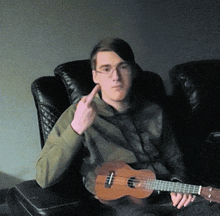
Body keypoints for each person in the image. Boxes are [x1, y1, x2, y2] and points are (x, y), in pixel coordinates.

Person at [36, 38, 219, 215]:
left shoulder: (154, 111)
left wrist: (179, 183)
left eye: (122, 67)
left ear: (132, 71)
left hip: (166, 195)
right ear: (95, 76)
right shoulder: (78, 113)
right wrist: (76, 128)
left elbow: (175, 159)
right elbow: (44, 177)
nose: (115, 77)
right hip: (119, 204)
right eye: (105, 69)